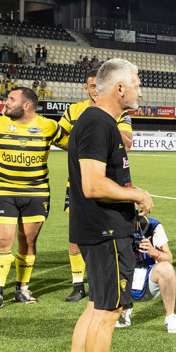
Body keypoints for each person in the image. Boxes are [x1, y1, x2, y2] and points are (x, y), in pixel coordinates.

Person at [50, 59, 152, 352]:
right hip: (106, 231)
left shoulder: (97, 120)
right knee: (109, 312)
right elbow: (93, 185)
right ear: (119, 88)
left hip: (98, 229)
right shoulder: (98, 122)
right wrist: (135, 194)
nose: (140, 90)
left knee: (96, 306)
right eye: (136, 83)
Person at [0, 87, 68, 310]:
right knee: (2, 242)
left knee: (28, 242)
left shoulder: (49, 126)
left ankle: (22, 289)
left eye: (12, 99)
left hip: (36, 193)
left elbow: (72, 146)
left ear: (27, 105)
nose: (6, 102)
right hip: (3, 191)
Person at [57, 72, 134, 301]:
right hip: (81, 182)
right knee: (77, 235)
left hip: (105, 181)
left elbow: (127, 143)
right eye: (92, 86)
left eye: (97, 86)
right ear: (87, 88)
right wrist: (81, 147)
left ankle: (97, 284)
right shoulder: (75, 110)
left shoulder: (119, 114)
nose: (95, 90)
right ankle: (78, 284)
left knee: (102, 238)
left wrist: (98, 135)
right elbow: (59, 135)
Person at [115, 213, 176, 333]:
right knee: (102, 267)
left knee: (166, 268)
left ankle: (170, 316)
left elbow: (169, 258)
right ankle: (120, 309)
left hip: (146, 279)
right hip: (119, 281)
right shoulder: (109, 223)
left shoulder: (151, 225)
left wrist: (154, 252)